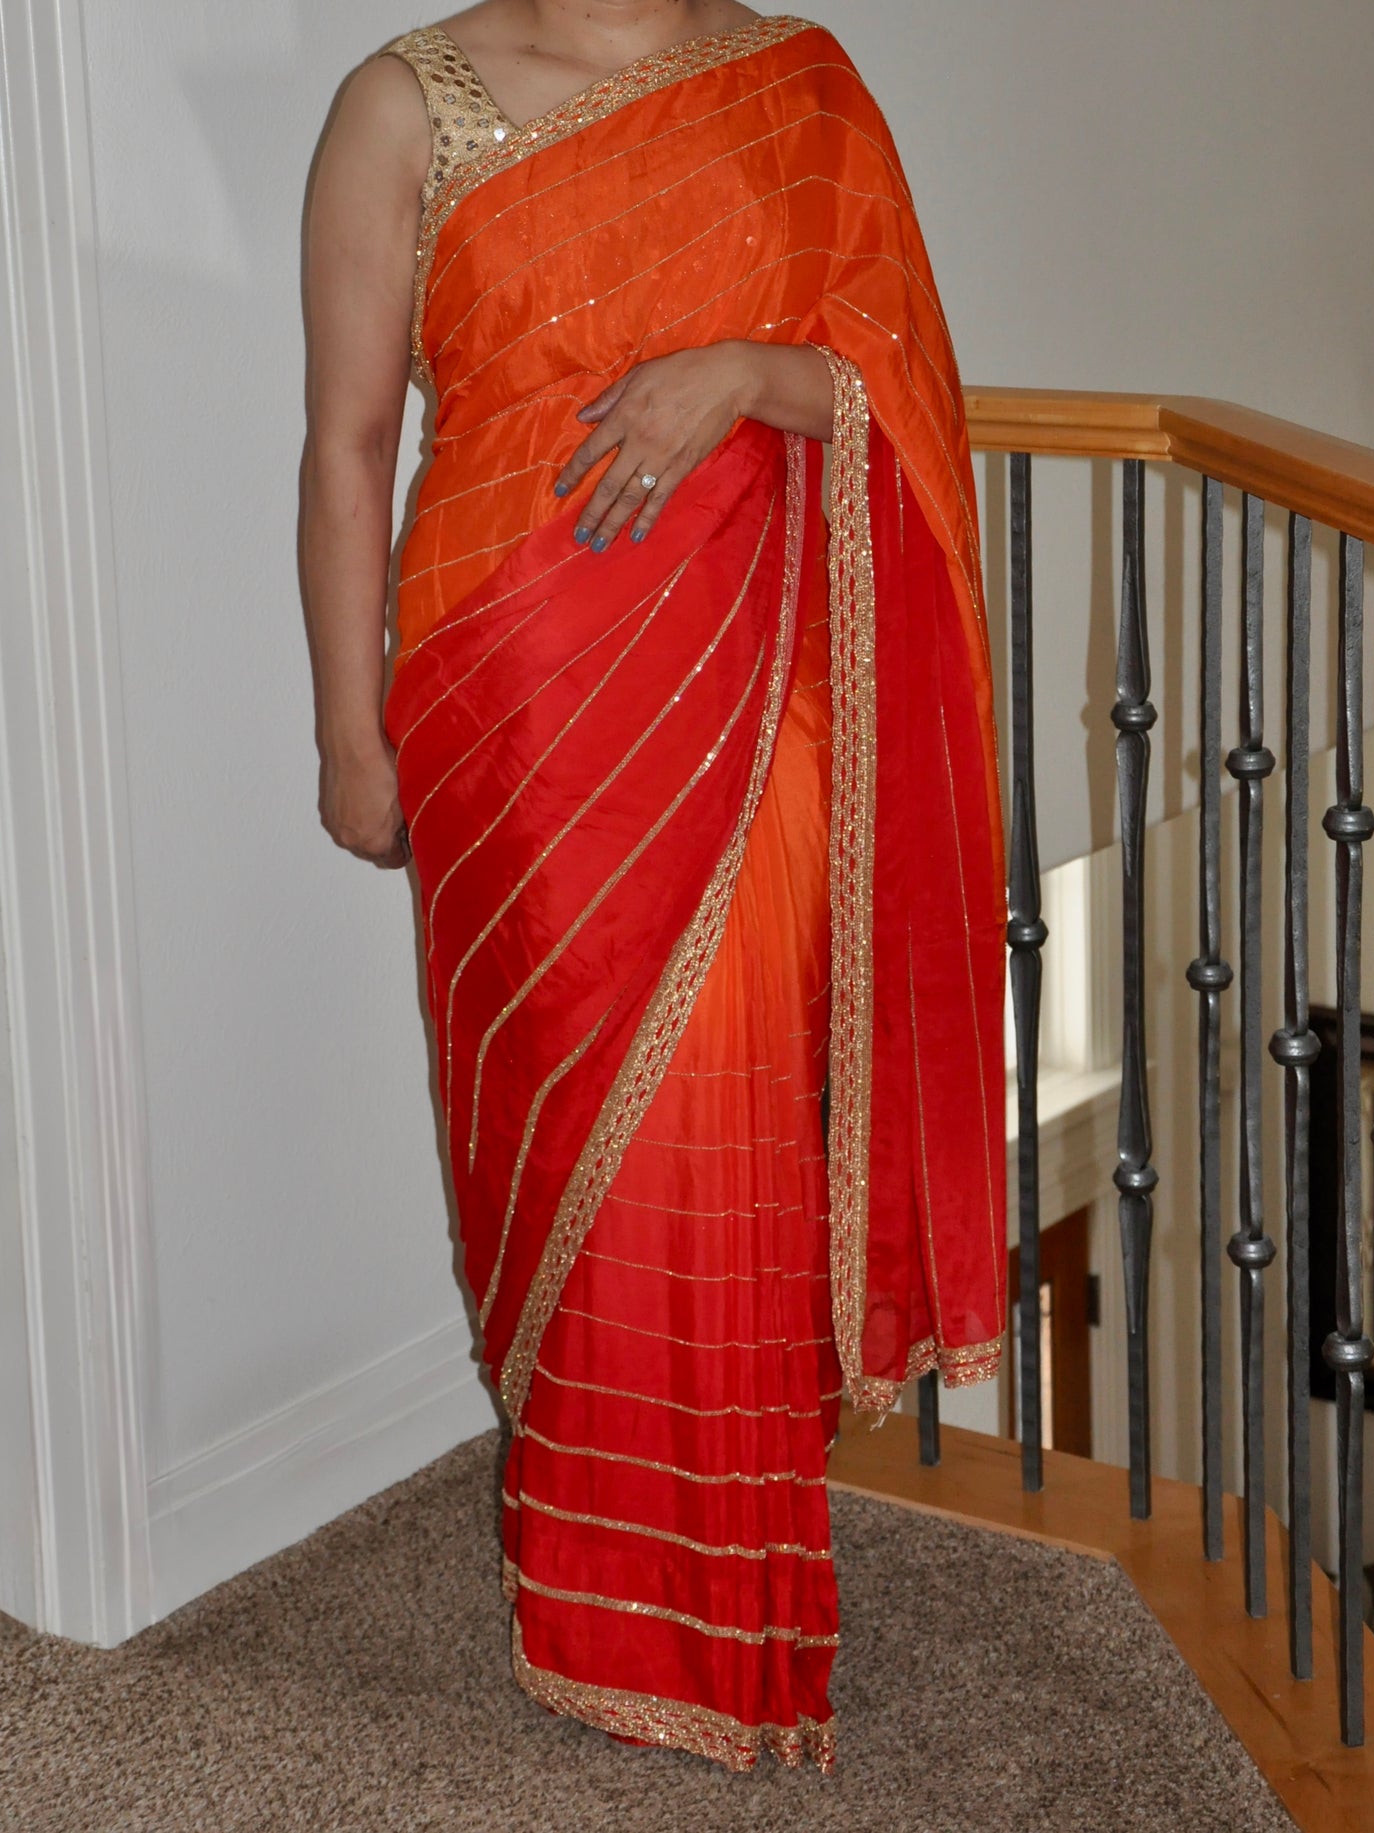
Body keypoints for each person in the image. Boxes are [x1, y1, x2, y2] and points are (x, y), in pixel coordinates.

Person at [301, 0, 1007, 1774]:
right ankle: (597, 1590)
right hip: (510, 697)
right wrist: (347, 732)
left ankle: (727, 1603)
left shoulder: (798, 85)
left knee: (723, 1124)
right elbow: (345, 443)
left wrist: (753, 376)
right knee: (554, 1141)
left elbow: (900, 376)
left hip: (744, 688)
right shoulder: (403, 105)